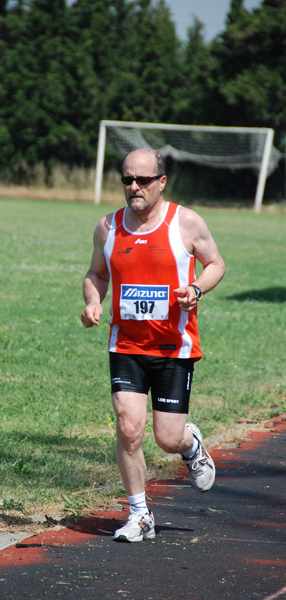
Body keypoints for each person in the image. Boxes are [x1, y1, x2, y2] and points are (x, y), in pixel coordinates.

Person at [81, 148, 226, 543]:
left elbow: (216, 264)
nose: (133, 187)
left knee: (166, 438)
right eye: (127, 179)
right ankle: (140, 514)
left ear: (161, 182)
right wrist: (93, 301)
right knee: (128, 428)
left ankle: (190, 443)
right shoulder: (107, 228)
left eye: (142, 180)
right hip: (126, 345)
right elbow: (96, 273)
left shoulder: (187, 223)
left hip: (173, 348)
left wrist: (196, 288)